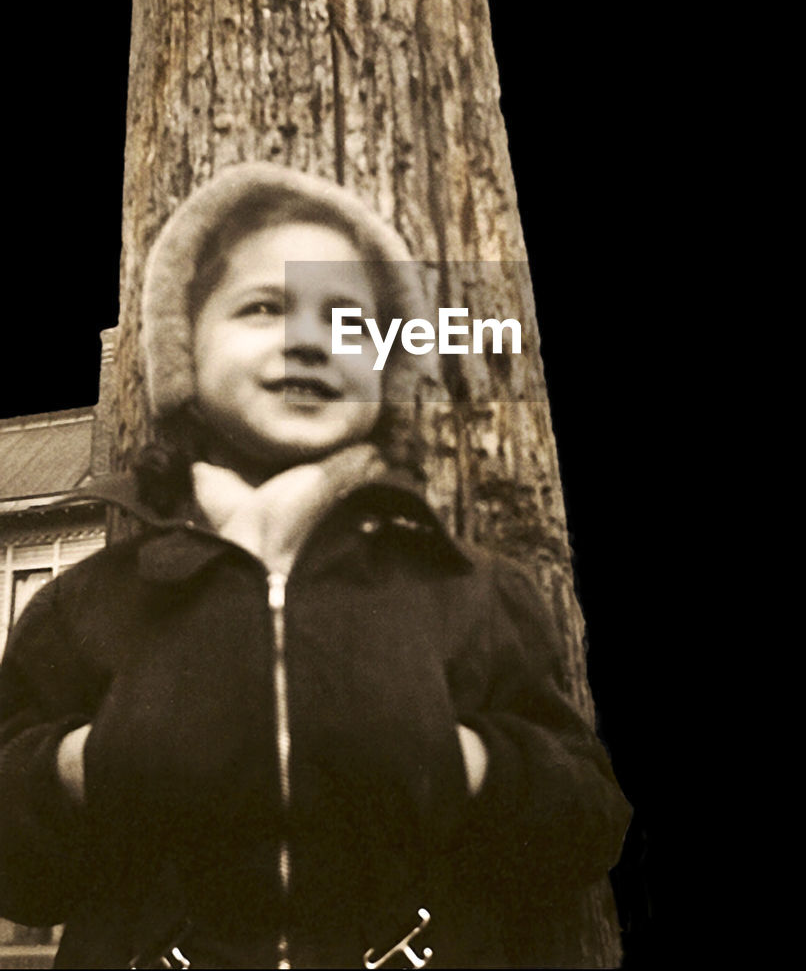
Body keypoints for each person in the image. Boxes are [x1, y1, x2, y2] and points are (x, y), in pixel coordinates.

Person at [0, 162, 630, 969]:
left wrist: (467, 762)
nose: (306, 339)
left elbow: (586, 829)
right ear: (184, 348)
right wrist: (85, 765)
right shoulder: (91, 601)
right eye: (262, 307)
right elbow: (20, 880)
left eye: (347, 322)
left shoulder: (466, 590)